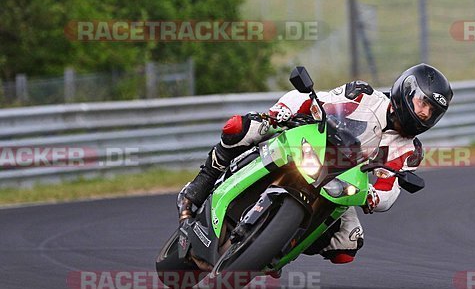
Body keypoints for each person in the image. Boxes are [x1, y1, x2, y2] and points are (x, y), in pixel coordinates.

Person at [177, 63, 453, 264]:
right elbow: (316, 100)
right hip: (311, 149)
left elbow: (389, 189)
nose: (424, 114)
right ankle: (201, 183)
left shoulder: (409, 151)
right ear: (406, 90)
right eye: (422, 104)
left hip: (340, 184)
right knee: (239, 126)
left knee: (347, 247)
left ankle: (278, 245)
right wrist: (280, 115)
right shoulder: (363, 95)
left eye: (432, 112)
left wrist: (372, 196)